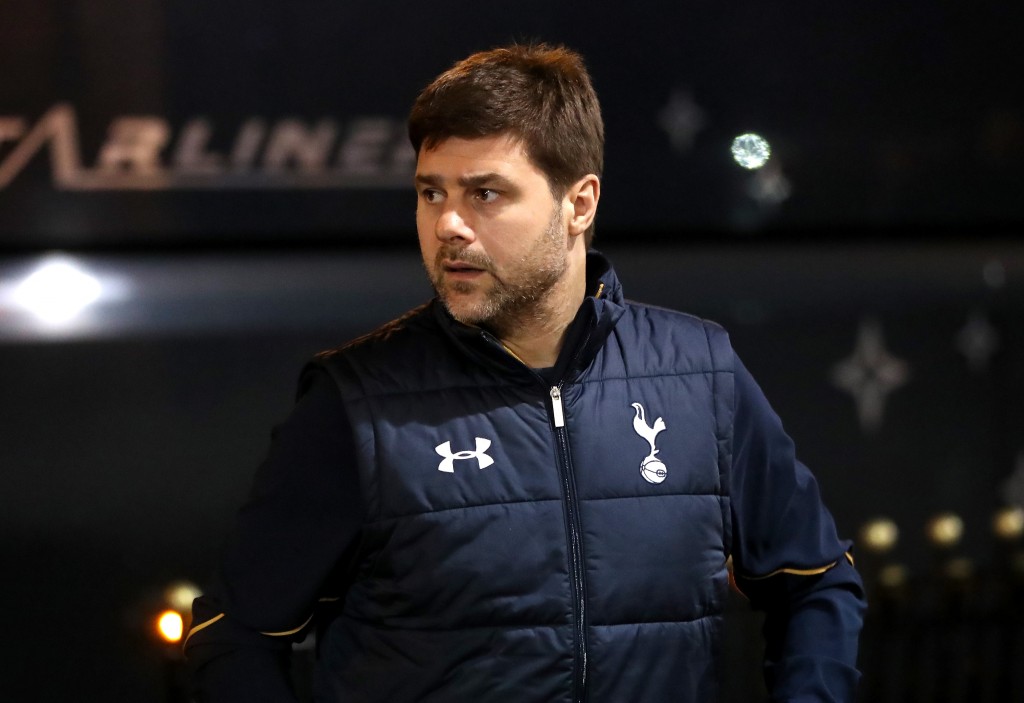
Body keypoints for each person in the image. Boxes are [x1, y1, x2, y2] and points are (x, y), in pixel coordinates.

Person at [186, 43, 866, 702]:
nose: (448, 225)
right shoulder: (356, 402)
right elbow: (233, 636)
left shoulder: (699, 373)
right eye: (431, 193)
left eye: (485, 193)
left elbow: (818, 581)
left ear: (580, 204)